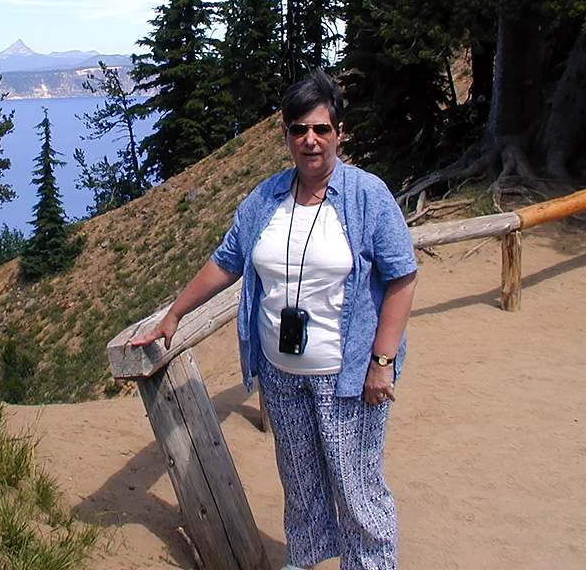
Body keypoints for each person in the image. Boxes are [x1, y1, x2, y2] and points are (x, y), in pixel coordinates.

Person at [129, 71, 418, 570]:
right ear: (285, 134)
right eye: (299, 128)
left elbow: (402, 278)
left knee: (356, 491)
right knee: (302, 489)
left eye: (321, 129)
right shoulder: (265, 199)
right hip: (282, 377)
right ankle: (304, 562)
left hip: (345, 379)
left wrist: (383, 362)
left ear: (339, 133)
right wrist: (174, 314)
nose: (310, 139)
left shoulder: (367, 196)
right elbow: (227, 261)